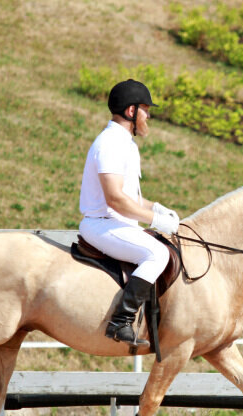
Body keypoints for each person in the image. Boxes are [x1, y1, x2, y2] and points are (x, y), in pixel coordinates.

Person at [79, 79, 180, 347]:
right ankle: (120, 321)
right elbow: (115, 199)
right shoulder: (111, 143)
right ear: (132, 111)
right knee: (157, 254)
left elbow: (130, 197)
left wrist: (156, 207)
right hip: (103, 224)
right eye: (146, 110)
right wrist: (155, 221)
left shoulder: (125, 143)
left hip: (116, 223)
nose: (149, 117)